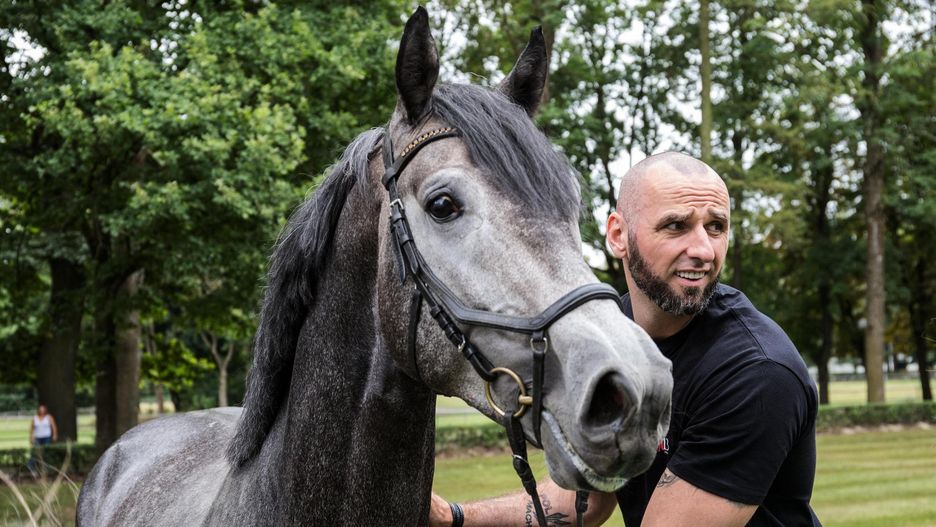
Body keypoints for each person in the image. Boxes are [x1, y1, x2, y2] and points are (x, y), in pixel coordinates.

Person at [429, 151, 821, 526]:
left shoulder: (756, 373)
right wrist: (453, 517)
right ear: (618, 235)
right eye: (676, 226)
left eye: (716, 227)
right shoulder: (613, 334)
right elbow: (585, 501)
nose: (704, 249)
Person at [27, 403, 58, 474]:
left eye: (43, 409)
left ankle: (45, 468)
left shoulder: (49, 417)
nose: (42, 411)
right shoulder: (35, 418)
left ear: (45, 410)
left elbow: (54, 426)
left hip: (47, 437)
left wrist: (55, 435)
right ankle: (30, 466)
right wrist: (31, 438)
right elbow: (32, 429)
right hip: (37, 437)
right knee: (35, 452)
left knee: (45, 452)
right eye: (40, 409)